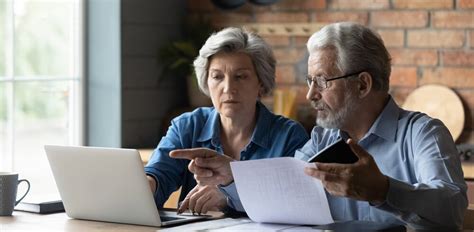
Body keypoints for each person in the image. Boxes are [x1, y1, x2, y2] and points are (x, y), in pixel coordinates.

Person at [170, 22, 468, 230]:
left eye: (322, 82)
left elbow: (452, 210)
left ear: (363, 84)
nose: (311, 95)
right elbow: (284, 193)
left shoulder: (422, 133)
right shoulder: (322, 138)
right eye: (310, 81)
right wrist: (233, 175)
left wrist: (383, 190)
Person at [144, 27, 308, 215]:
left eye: (240, 76)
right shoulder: (187, 127)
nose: (228, 88)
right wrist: (146, 186)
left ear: (261, 82)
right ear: (207, 82)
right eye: (217, 77)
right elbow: (159, 175)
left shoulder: (289, 136)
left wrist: (231, 196)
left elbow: (297, 203)